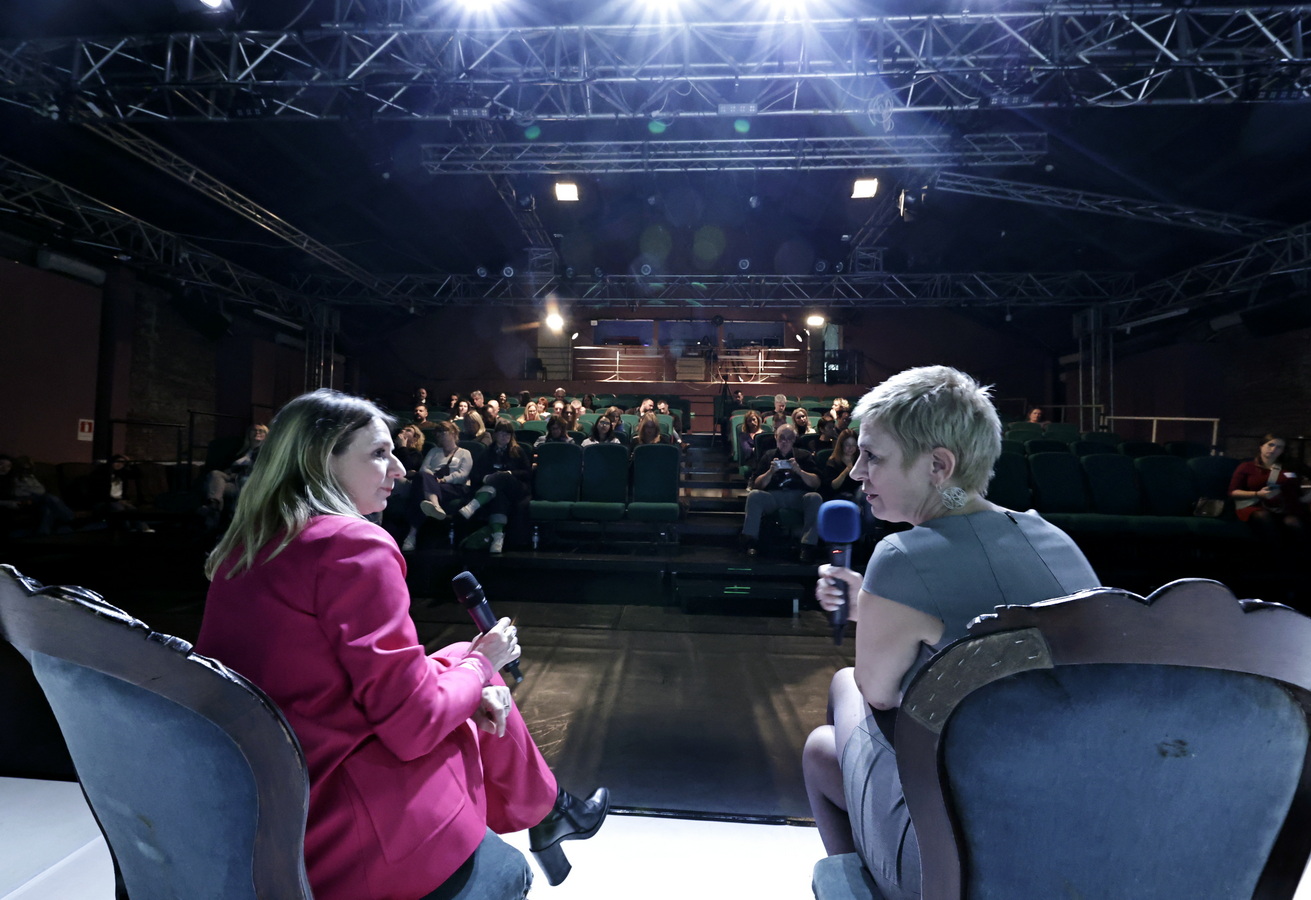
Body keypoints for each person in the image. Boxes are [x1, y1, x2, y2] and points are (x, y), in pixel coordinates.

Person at [196, 389, 607, 900]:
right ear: (320, 460)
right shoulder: (352, 546)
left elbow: (330, 686)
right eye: (378, 454)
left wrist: (470, 666)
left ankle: (551, 809)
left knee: (459, 657)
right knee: (478, 672)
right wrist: (483, 666)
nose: (398, 470)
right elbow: (414, 726)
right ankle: (547, 810)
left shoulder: (247, 546)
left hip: (264, 809)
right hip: (338, 833)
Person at [802, 366, 1098, 900]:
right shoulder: (1055, 539)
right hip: (1075, 842)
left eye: (873, 456)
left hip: (962, 862)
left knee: (837, 709)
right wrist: (871, 606)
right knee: (829, 753)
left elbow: (880, 695)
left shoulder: (900, 557)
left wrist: (871, 604)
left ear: (939, 466)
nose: (857, 472)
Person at [741, 423, 822, 562]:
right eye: (781, 438)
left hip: (798, 496)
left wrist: (800, 471)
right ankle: (751, 542)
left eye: (789, 438)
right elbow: (757, 485)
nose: (785, 441)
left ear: (794, 439)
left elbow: (816, 483)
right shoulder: (768, 455)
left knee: (815, 497)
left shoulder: (804, 455)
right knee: (754, 496)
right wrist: (770, 472)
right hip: (774, 496)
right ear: (776, 437)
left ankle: (807, 546)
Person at [460, 421, 533, 554]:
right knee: (500, 497)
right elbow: (476, 473)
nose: (504, 436)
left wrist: (510, 473)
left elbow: (527, 473)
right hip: (497, 491)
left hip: (517, 488)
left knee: (502, 476)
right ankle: (498, 538)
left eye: (508, 433)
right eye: (501, 433)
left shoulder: (518, 451)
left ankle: (475, 504)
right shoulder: (487, 452)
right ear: (495, 434)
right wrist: (486, 478)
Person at [1229, 434, 1310, 529]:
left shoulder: (1292, 465)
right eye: (1270, 445)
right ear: (1261, 446)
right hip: (1255, 505)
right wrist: (1258, 494)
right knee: (1263, 516)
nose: (1273, 449)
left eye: (1279, 447)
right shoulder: (1246, 466)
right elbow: (1233, 492)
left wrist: (1306, 497)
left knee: (1293, 522)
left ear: (1283, 450)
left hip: (1285, 507)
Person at [204, 424, 269, 525]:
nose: (257, 432)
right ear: (249, 434)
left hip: (247, 481)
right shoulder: (242, 451)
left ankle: (213, 512)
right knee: (215, 475)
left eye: (261, 431)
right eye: (254, 430)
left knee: (215, 488)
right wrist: (230, 470)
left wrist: (238, 471)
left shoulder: (265, 452)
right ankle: (214, 505)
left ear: (266, 435)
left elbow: (259, 469)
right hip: (232, 479)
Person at [0, 454, 75, 536]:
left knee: (47, 508)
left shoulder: (24, 477)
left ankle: (43, 533)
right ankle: (70, 518)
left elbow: (41, 491)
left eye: (8, 466)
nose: (4, 468)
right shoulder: (14, 478)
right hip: (20, 501)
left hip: (32, 499)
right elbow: (16, 493)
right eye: (1, 464)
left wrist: (28, 489)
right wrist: (11, 503)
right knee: (49, 498)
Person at [416, 421, 472, 525]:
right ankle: (436, 506)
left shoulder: (465, 453)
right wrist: (433, 479)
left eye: (442, 431)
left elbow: (463, 475)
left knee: (419, 489)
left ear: (453, 432)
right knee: (422, 477)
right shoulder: (434, 451)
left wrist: (444, 480)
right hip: (432, 481)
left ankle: (413, 531)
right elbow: (424, 469)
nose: (439, 434)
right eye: (437, 432)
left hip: (453, 486)